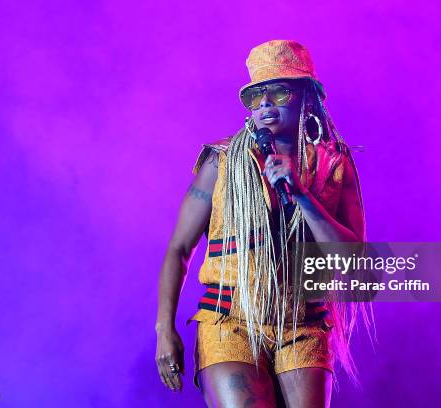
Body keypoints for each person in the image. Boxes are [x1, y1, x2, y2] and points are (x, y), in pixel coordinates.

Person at [155, 39, 368, 407]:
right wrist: (164, 329)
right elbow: (178, 249)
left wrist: (301, 194)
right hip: (230, 321)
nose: (266, 103)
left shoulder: (335, 166)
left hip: (304, 323)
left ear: (307, 96)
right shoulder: (221, 162)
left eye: (279, 91)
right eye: (257, 96)